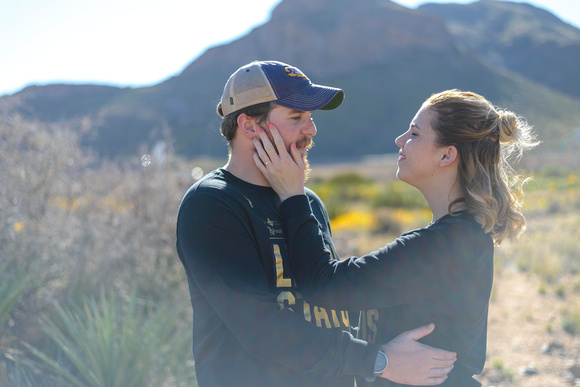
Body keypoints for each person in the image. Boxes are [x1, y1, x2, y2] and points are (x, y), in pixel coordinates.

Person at [176, 60, 457, 387]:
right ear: (250, 125)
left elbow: (327, 299)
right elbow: (262, 329)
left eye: (310, 118)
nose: (311, 130)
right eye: (296, 118)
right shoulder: (212, 204)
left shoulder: (304, 200)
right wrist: (380, 360)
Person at [252, 89, 539, 386]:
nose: (400, 140)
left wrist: (292, 195)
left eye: (414, 133)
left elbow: (326, 285)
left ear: (446, 155)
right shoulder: (459, 236)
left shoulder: (445, 245)